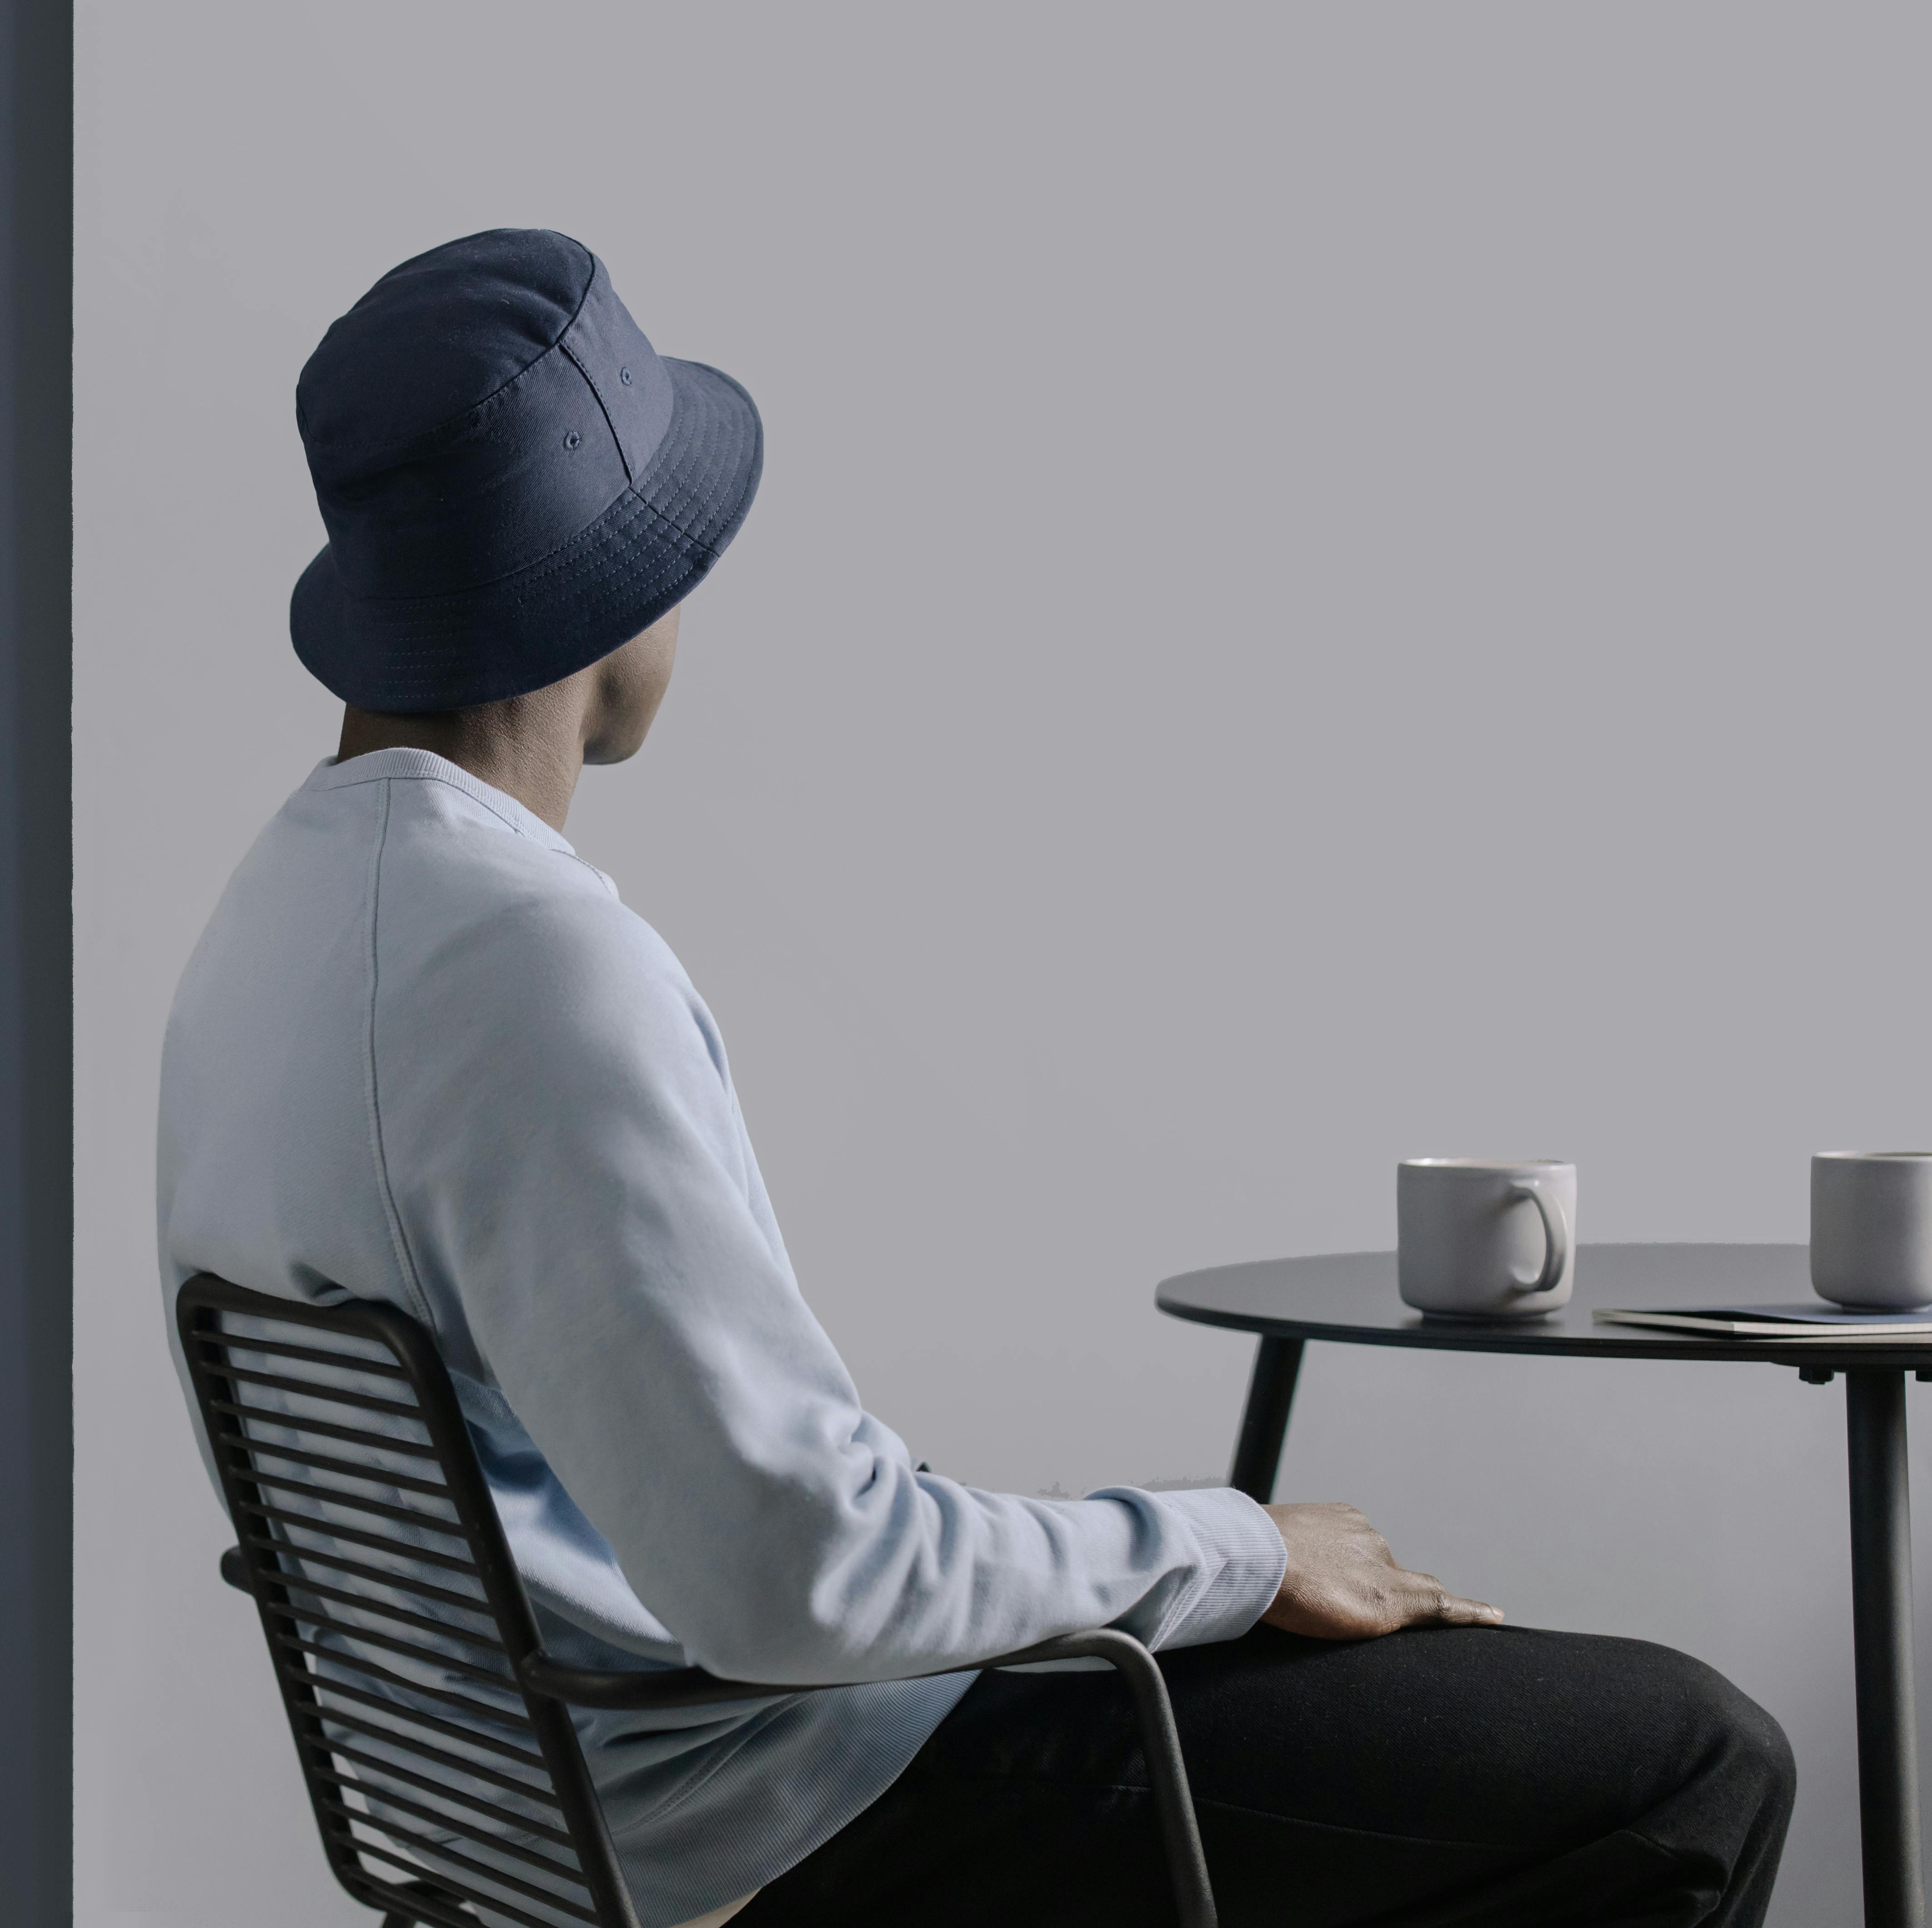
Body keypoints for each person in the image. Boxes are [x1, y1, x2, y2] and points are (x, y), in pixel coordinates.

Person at [157, 228, 1792, 1927]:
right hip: (777, 1812)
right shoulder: (532, 968)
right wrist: (1236, 1546)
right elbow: (796, 1579)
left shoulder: (264, 939)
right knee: (1694, 1757)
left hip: (530, 1819)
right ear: (617, 585)